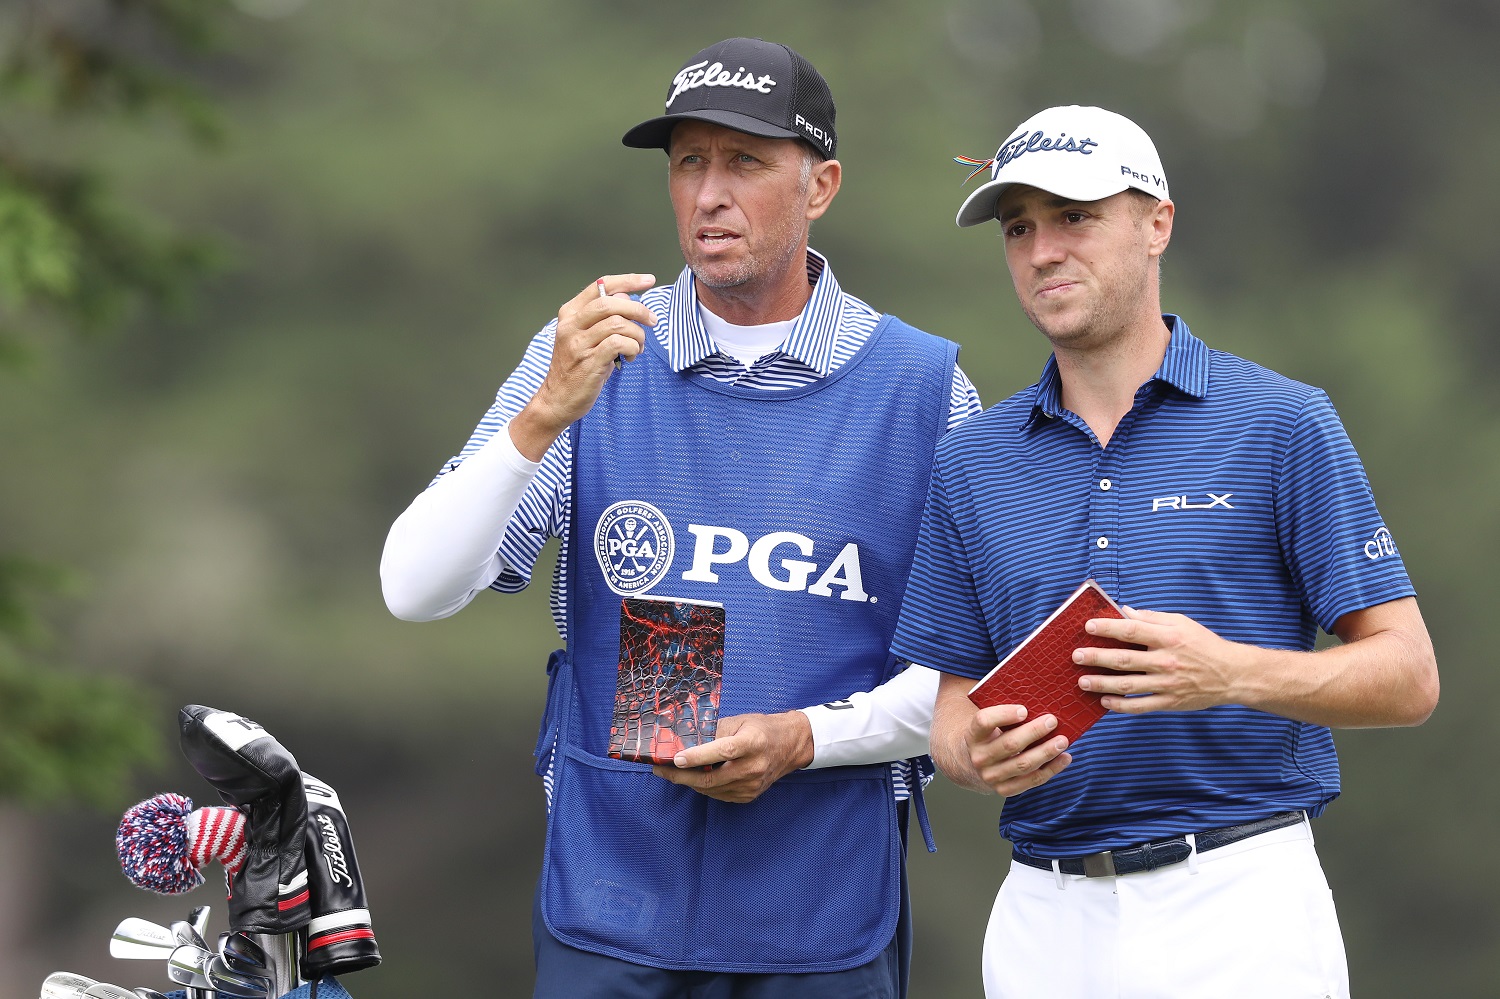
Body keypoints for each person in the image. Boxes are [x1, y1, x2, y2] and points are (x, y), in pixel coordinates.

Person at [380, 37, 979, 999]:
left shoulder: (923, 389)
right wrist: (543, 415)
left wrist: (803, 738)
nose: (708, 194)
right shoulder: (593, 349)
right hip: (612, 904)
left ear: (821, 184)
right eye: (688, 162)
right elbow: (412, 589)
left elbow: (972, 676)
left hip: (821, 914)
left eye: (744, 162)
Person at [887, 104, 1440, 999]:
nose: (1042, 251)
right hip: (1043, 913)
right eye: (1019, 227)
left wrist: (1227, 672)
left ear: (1157, 224)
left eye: (1075, 217)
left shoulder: (1282, 423)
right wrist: (974, 752)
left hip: (1240, 899)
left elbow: (1409, 674)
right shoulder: (972, 459)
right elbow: (950, 713)